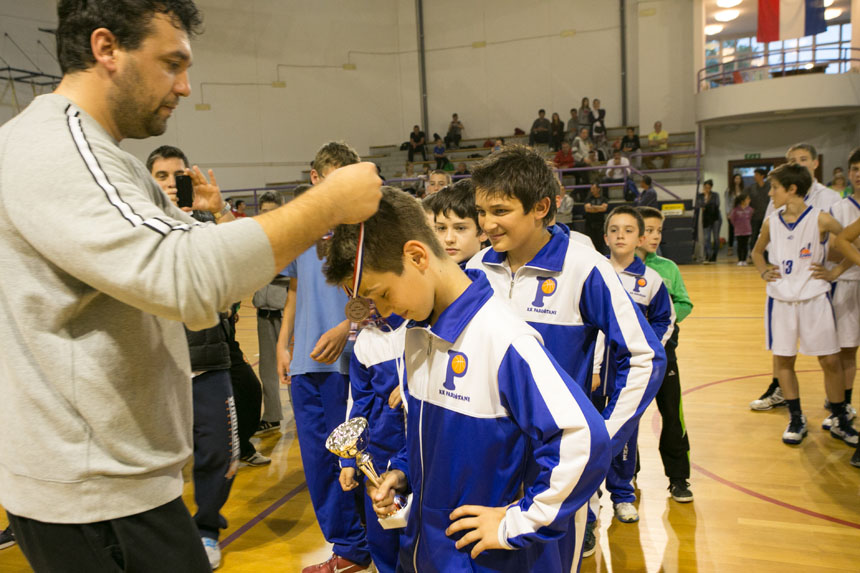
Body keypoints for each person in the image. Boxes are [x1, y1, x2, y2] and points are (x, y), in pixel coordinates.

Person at [0, 2, 383, 571]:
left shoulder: (112, 162)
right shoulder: (57, 148)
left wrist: (221, 222)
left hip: (118, 486)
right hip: (93, 495)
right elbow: (186, 277)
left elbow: (207, 264)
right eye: (171, 63)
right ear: (106, 49)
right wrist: (324, 204)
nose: (184, 86)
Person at [324, 187, 612, 572]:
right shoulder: (415, 334)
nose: (383, 311)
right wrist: (404, 472)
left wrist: (518, 523)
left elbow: (583, 439)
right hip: (426, 552)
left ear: (416, 256)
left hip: (481, 560)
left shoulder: (502, 337)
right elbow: (430, 437)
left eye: (382, 294)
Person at [466, 145, 665, 563]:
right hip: (488, 457)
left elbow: (645, 356)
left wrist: (604, 437)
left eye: (499, 211)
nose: (486, 223)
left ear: (540, 207)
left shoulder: (584, 266)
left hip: (554, 463)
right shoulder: (477, 268)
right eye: (481, 211)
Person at [276, 142, 374, 573]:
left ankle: (373, 544)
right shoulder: (301, 227)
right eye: (332, 178)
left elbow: (376, 294)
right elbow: (295, 290)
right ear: (316, 178)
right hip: (306, 365)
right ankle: (348, 549)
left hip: (350, 361)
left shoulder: (364, 230)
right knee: (317, 462)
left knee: (352, 459)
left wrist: (345, 328)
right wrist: (283, 343)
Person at [751, 163, 854, 446]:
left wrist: (835, 271)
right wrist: (763, 270)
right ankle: (796, 418)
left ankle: (840, 419)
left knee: (830, 360)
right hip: (781, 300)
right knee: (784, 360)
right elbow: (757, 252)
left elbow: (849, 241)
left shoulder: (821, 219)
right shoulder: (772, 221)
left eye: (774, 188)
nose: (770, 193)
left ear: (792, 189)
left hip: (815, 298)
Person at [595, 206, 674, 525]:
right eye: (614, 230)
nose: (620, 236)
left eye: (628, 230)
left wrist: (643, 352)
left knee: (624, 432)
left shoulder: (650, 280)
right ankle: (590, 501)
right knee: (588, 431)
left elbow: (665, 320)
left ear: (640, 238)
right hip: (593, 371)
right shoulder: (595, 272)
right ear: (605, 237)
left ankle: (622, 495)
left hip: (627, 372)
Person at [338, 311, 407, 573]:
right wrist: (348, 458)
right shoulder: (365, 342)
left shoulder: (424, 327)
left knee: (418, 536)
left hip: (421, 453)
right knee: (383, 537)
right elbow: (358, 404)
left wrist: (411, 385)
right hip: (378, 459)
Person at [635, 206, 695, 502]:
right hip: (629, 357)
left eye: (659, 230)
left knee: (672, 413)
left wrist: (664, 317)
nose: (655, 236)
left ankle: (678, 477)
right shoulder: (615, 269)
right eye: (649, 230)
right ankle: (627, 474)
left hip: (664, 353)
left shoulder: (667, 268)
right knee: (627, 415)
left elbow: (685, 304)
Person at [814, 148, 860, 436]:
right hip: (849, 283)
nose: (859, 174)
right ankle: (843, 408)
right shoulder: (840, 209)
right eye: (855, 169)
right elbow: (831, 250)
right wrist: (842, 266)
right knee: (846, 352)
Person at [252, 191, 290, 434]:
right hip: (264, 313)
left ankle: (301, 417)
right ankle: (272, 415)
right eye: (263, 211)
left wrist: (263, 267)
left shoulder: (291, 236)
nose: (267, 216)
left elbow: (290, 271)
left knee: (292, 367)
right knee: (267, 368)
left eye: (271, 210)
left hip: (285, 312)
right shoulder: (255, 238)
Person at [430, 179, 487, 267]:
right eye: (441, 228)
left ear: (483, 232)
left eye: (460, 228)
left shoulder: (496, 277)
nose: (449, 239)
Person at [697, 179, 721, 263]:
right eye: (705, 187)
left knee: (716, 238)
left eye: (708, 187)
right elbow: (699, 205)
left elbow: (716, 205)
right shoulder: (700, 196)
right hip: (706, 218)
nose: (707, 189)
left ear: (711, 187)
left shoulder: (715, 195)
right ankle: (708, 255)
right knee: (706, 238)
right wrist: (706, 200)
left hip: (715, 218)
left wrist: (706, 204)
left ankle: (714, 255)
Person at [746, 168, 771, 248]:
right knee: (754, 236)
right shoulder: (751, 188)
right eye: (754, 174)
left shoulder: (769, 187)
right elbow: (746, 200)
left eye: (756, 175)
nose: (754, 176)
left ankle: (766, 256)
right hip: (755, 216)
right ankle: (753, 254)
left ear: (762, 176)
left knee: (767, 236)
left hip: (767, 216)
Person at [584, 181, 609, 255]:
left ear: (598, 189)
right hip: (590, 224)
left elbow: (604, 209)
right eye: (591, 189)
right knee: (591, 242)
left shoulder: (603, 199)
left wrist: (593, 207)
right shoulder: (588, 199)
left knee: (600, 244)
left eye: (594, 188)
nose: (592, 190)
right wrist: (599, 208)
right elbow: (587, 209)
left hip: (600, 224)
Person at [728, 194, 753, 266]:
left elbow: (750, 218)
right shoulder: (735, 210)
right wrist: (737, 226)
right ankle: (740, 260)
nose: (749, 200)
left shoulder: (750, 209)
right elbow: (732, 219)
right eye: (747, 199)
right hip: (738, 231)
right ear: (742, 201)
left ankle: (744, 260)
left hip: (747, 230)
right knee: (740, 245)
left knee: (745, 246)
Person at [725, 174, 744, 258]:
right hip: (732, 213)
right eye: (736, 178)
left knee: (742, 231)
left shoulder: (743, 190)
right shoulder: (729, 190)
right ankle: (730, 248)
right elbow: (727, 202)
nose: (737, 180)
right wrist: (728, 213)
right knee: (731, 231)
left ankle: (741, 248)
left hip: (741, 213)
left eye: (739, 178)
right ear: (733, 179)